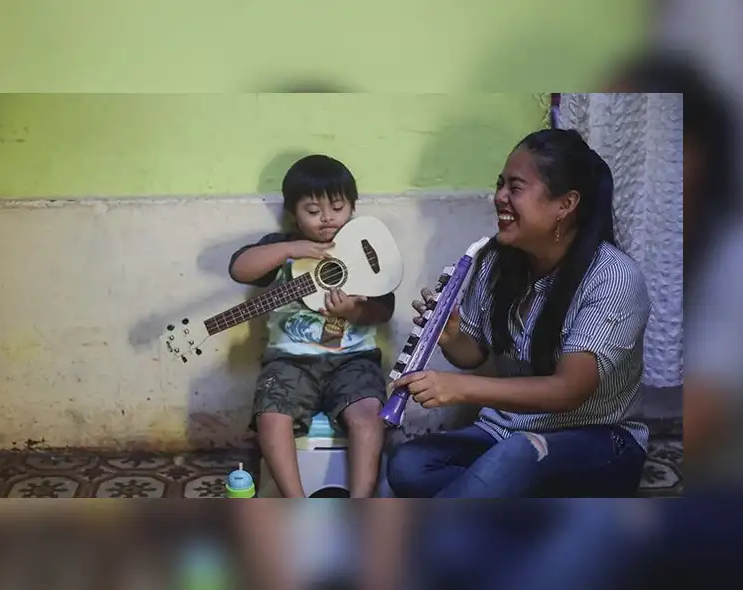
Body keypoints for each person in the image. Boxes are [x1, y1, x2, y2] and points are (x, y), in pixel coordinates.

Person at [385, 128, 651, 498]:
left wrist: (460, 389)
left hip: (597, 440)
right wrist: (451, 335)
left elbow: (568, 390)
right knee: (407, 464)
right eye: (499, 184)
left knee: (514, 459)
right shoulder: (496, 261)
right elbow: (473, 353)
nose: (499, 198)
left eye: (515, 187)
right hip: (505, 430)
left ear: (565, 204)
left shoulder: (614, 277)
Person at [228, 154, 394, 498]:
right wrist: (290, 248)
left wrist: (354, 311)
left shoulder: (365, 251)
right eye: (313, 211)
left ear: (352, 207)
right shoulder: (283, 250)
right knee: (272, 416)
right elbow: (239, 269)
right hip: (290, 362)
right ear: (293, 213)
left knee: (368, 414)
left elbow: (383, 310)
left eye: (337, 207)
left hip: (353, 359)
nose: (327, 218)